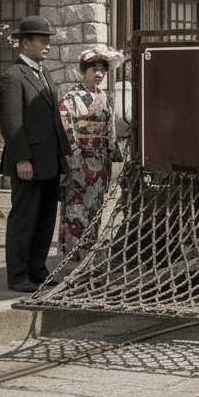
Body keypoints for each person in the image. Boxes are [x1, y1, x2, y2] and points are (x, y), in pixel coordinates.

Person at [0, 15, 72, 292]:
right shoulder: (12, 76)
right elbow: (12, 124)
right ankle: (18, 276)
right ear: (25, 43)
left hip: (49, 162)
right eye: (42, 41)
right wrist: (22, 159)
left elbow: (55, 120)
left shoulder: (44, 74)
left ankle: (38, 271)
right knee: (24, 219)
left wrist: (64, 154)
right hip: (28, 163)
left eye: (48, 41)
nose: (47, 46)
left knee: (44, 220)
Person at [58, 47, 124, 262]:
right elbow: (66, 129)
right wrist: (72, 156)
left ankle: (90, 255)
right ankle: (74, 256)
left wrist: (111, 153)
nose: (99, 74)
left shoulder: (104, 97)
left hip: (100, 159)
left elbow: (110, 130)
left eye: (102, 70)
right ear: (83, 71)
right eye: (94, 69)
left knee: (95, 207)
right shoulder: (71, 98)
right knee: (77, 208)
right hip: (79, 159)